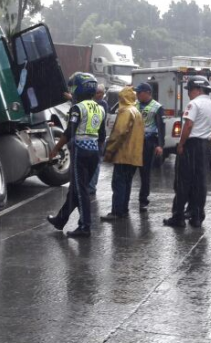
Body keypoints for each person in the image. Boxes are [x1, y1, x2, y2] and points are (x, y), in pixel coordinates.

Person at [47, 73, 105, 237]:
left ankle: (85, 226)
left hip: (80, 150)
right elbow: (101, 135)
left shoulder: (77, 108)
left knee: (81, 191)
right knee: (76, 189)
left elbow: (69, 132)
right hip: (94, 151)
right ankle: (61, 219)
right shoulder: (100, 108)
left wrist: (56, 148)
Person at [164, 76, 211, 228]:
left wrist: (181, 144)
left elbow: (188, 125)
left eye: (190, 90)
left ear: (198, 89)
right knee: (200, 183)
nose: (188, 94)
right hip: (204, 146)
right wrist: (207, 147)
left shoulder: (194, 104)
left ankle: (178, 217)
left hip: (191, 145)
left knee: (182, 182)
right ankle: (197, 217)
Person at [101, 86, 143, 221]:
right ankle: (123, 210)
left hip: (123, 155)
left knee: (118, 184)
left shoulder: (125, 111)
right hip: (134, 156)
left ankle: (116, 211)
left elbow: (119, 133)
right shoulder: (136, 111)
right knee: (127, 183)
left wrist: (109, 150)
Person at [134, 82, 164, 211]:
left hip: (148, 141)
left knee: (145, 173)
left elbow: (161, 127)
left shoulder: (156, 107)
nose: (137, 95)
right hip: (134, 141)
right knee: (130, 171)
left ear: (147, 93)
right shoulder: (135, 105)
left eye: (139, 93)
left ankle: (143, 200)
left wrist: (160, 145)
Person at [88, 85, 108, 197]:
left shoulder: (102, 104)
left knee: (96, 163)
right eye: (98, 93)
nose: (100, 95)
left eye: (101, 93)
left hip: (99, 138)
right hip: (96, 137)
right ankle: (89, 185)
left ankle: (91, 187)